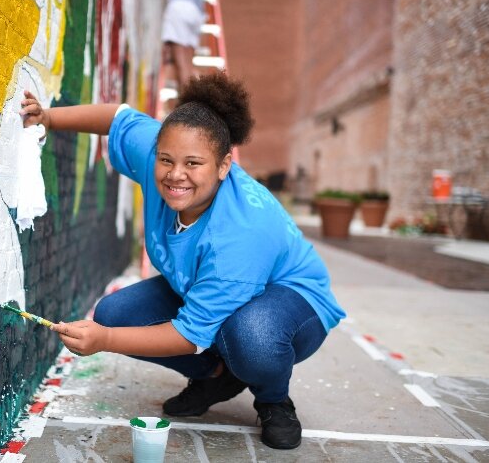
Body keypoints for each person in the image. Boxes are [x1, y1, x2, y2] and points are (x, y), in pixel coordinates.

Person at [19, 72, 346, 450]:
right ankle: (217, 376)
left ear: (224, 166)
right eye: (166, 160)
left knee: (250, 335)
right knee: (115, 312)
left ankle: (273, 399)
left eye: (194, 164)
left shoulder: (240, 234)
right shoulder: (163, 150)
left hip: (291, 301)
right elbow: (118, 119)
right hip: (208, 284)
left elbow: (189, 336)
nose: (176, 174)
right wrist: (49, 118)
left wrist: (104, 341)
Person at [161, 0, 211, 93]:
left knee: (181, 67)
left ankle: (188, 110)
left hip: (179, 8)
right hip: (196, 12)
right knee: (188, 68)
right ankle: (195, 104)